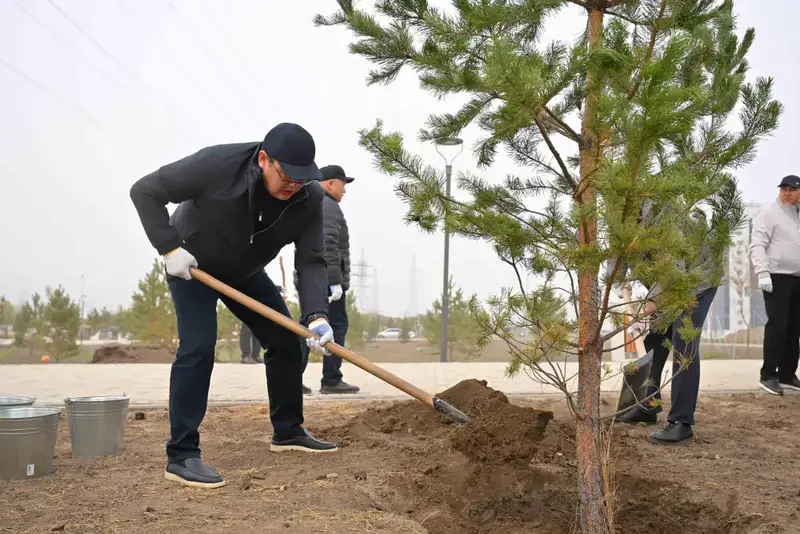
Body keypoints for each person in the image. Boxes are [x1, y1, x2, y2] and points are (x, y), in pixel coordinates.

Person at [129, 122, 339, 490]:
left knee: (287, 341)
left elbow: (311, 260)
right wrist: (169, 247)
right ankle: (182, 454)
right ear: (264, 159)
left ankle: (288, 430)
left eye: (302, 179)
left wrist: (317, 315)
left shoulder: (309, 197)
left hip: (244, 270)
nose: (294, 186)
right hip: (192, 266)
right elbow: (145, 190)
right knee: (198, 347)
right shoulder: (218, 165)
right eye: (287, 177)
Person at [611, 203, 725, 444]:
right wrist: (622, 290)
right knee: (655, 338)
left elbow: (675, 268)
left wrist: (651, 304)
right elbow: (616, 258)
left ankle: (681, 423)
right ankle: (647, 405)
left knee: (683, 341)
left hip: (697, 277)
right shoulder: (617, 210)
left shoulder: (663, 215)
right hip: (669, 279)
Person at [297, 165, 360, 394]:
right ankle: (331, 379)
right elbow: (326, 244)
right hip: (324, 280)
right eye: (343, 185)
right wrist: (334, 281)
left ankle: (293, 378)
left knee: (307, 326)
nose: (345, 191)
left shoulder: (318, 203)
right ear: (331, 183)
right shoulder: (328, 205)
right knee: (334, 325)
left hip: (316, 279)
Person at [749, 175, 800, 396]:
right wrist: (762, 273)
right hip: (776, 277)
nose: (787, 193)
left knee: (794, 328)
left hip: (797, 279)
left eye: (792, 189)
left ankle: (787, 374)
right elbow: (757, 244)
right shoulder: (769, 212)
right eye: (784, 189)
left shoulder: (797, 214)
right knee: (778, 326)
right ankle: (768, 375)